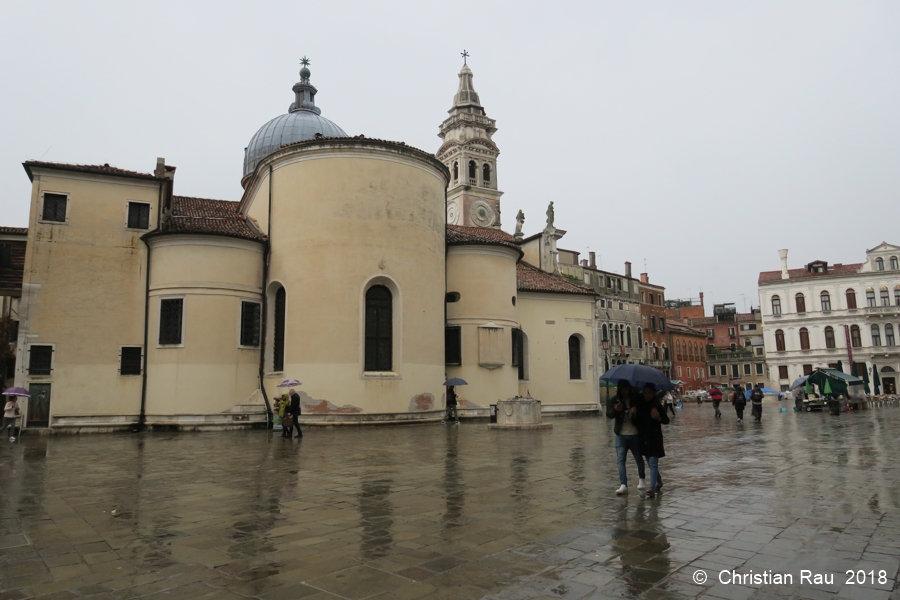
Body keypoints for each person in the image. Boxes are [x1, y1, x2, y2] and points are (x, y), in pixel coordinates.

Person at [607, 380, 646, 495]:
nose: (624, 391)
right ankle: (623, 484)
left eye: (626, 389)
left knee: (638, 458)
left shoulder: (636, 399)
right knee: (620, 460)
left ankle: (642, 479)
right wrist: (616, 410)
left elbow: (642, 415)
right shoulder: (615, 400)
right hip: (621, 434)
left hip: (635, 434)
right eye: (622, 389)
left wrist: (636, 412)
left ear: (629, 389)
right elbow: (609, 415)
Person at [633, 383, 669, 498]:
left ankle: (652, 488)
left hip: (655, 436)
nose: (647, 395)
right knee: (650, 462)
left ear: (653, 393)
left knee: (653, 462)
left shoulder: (657, 405)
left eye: (649, 393)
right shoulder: (639, 404)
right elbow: (635, 422)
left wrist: (658, 418)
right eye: (645, 393)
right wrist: (633, 414)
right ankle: (659, 481)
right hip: (643, 437)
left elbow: (666, 420)